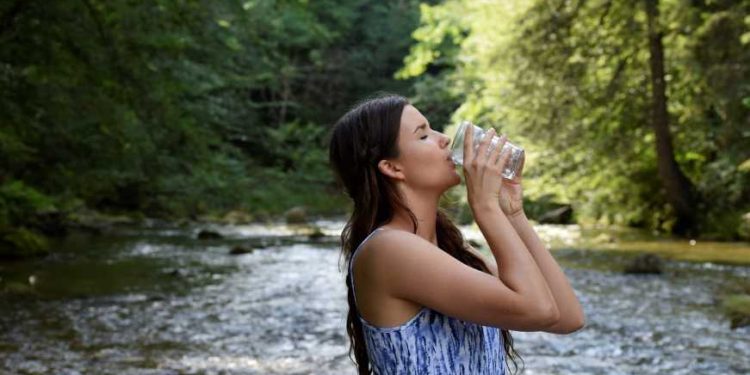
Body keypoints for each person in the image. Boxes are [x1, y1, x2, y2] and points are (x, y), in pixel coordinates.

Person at [328, 94, 585, 375]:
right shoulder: (388, 249)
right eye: (423, 135)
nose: (444, 139)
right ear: (392, 167)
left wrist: (512, 212)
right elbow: (538, 310)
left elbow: (566, 316)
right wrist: (485, 207)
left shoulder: (453, 252)